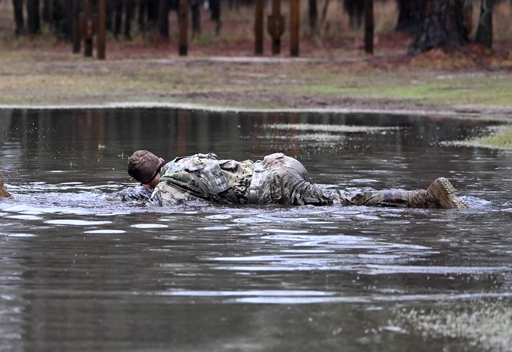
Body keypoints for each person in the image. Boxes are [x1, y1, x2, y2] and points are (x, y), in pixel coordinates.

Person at [124, 149, 467, 208]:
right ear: (163, 160)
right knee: (333, 195)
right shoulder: (186, 161)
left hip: (278, 187)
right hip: (281, 163)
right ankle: (436, 199)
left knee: (345, 200)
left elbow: (171, 207)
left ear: (145, 183)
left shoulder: (165, 193)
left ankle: (424, 197)